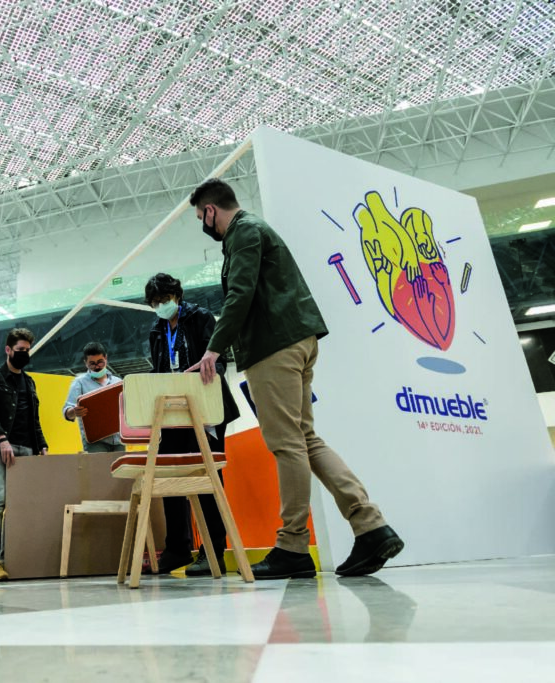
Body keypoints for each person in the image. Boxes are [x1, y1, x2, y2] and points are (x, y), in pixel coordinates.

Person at [192, 178, 404, 580]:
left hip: (272, 346)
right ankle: (371, 525)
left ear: (210, 211)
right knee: (305, 439)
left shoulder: (243, 233)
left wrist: (214, 349)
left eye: (201, 217)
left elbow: (240, 293)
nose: (204, 225)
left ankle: (292, 545)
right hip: (296, 340)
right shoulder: (256, 230)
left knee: (286, 443)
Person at [145, 273, 241, 577]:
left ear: (177, 295)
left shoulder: (200, 318)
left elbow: (219, 361)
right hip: (173, 414)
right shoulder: (157, 330)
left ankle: (213, 551)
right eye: (155, 302)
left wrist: (205, 375)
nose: (161, 305)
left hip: (205, 409)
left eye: (165, 299)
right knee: (170, 478)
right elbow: (159, 369)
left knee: (207, 479)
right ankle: (177, 548)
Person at [0, 328, 48, 581]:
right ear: (8, 350)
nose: (24, 354)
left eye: (27, 350)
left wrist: (42, 444)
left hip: (27, 447)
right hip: (0, 446)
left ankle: (13, 555)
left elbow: (34, 418)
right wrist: (2, 439)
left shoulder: (29, 382)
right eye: (20, 350)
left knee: (20, 503)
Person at [63, 342, 123, 453]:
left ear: (106, 358)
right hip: (95, 442)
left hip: (119, 440)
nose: (97, 366)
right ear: (85, 363)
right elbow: (66, 411)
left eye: (100, 362)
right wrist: (73, 411)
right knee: (98, 465)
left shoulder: (118, 382)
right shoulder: (79, 383)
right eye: (92, 363)